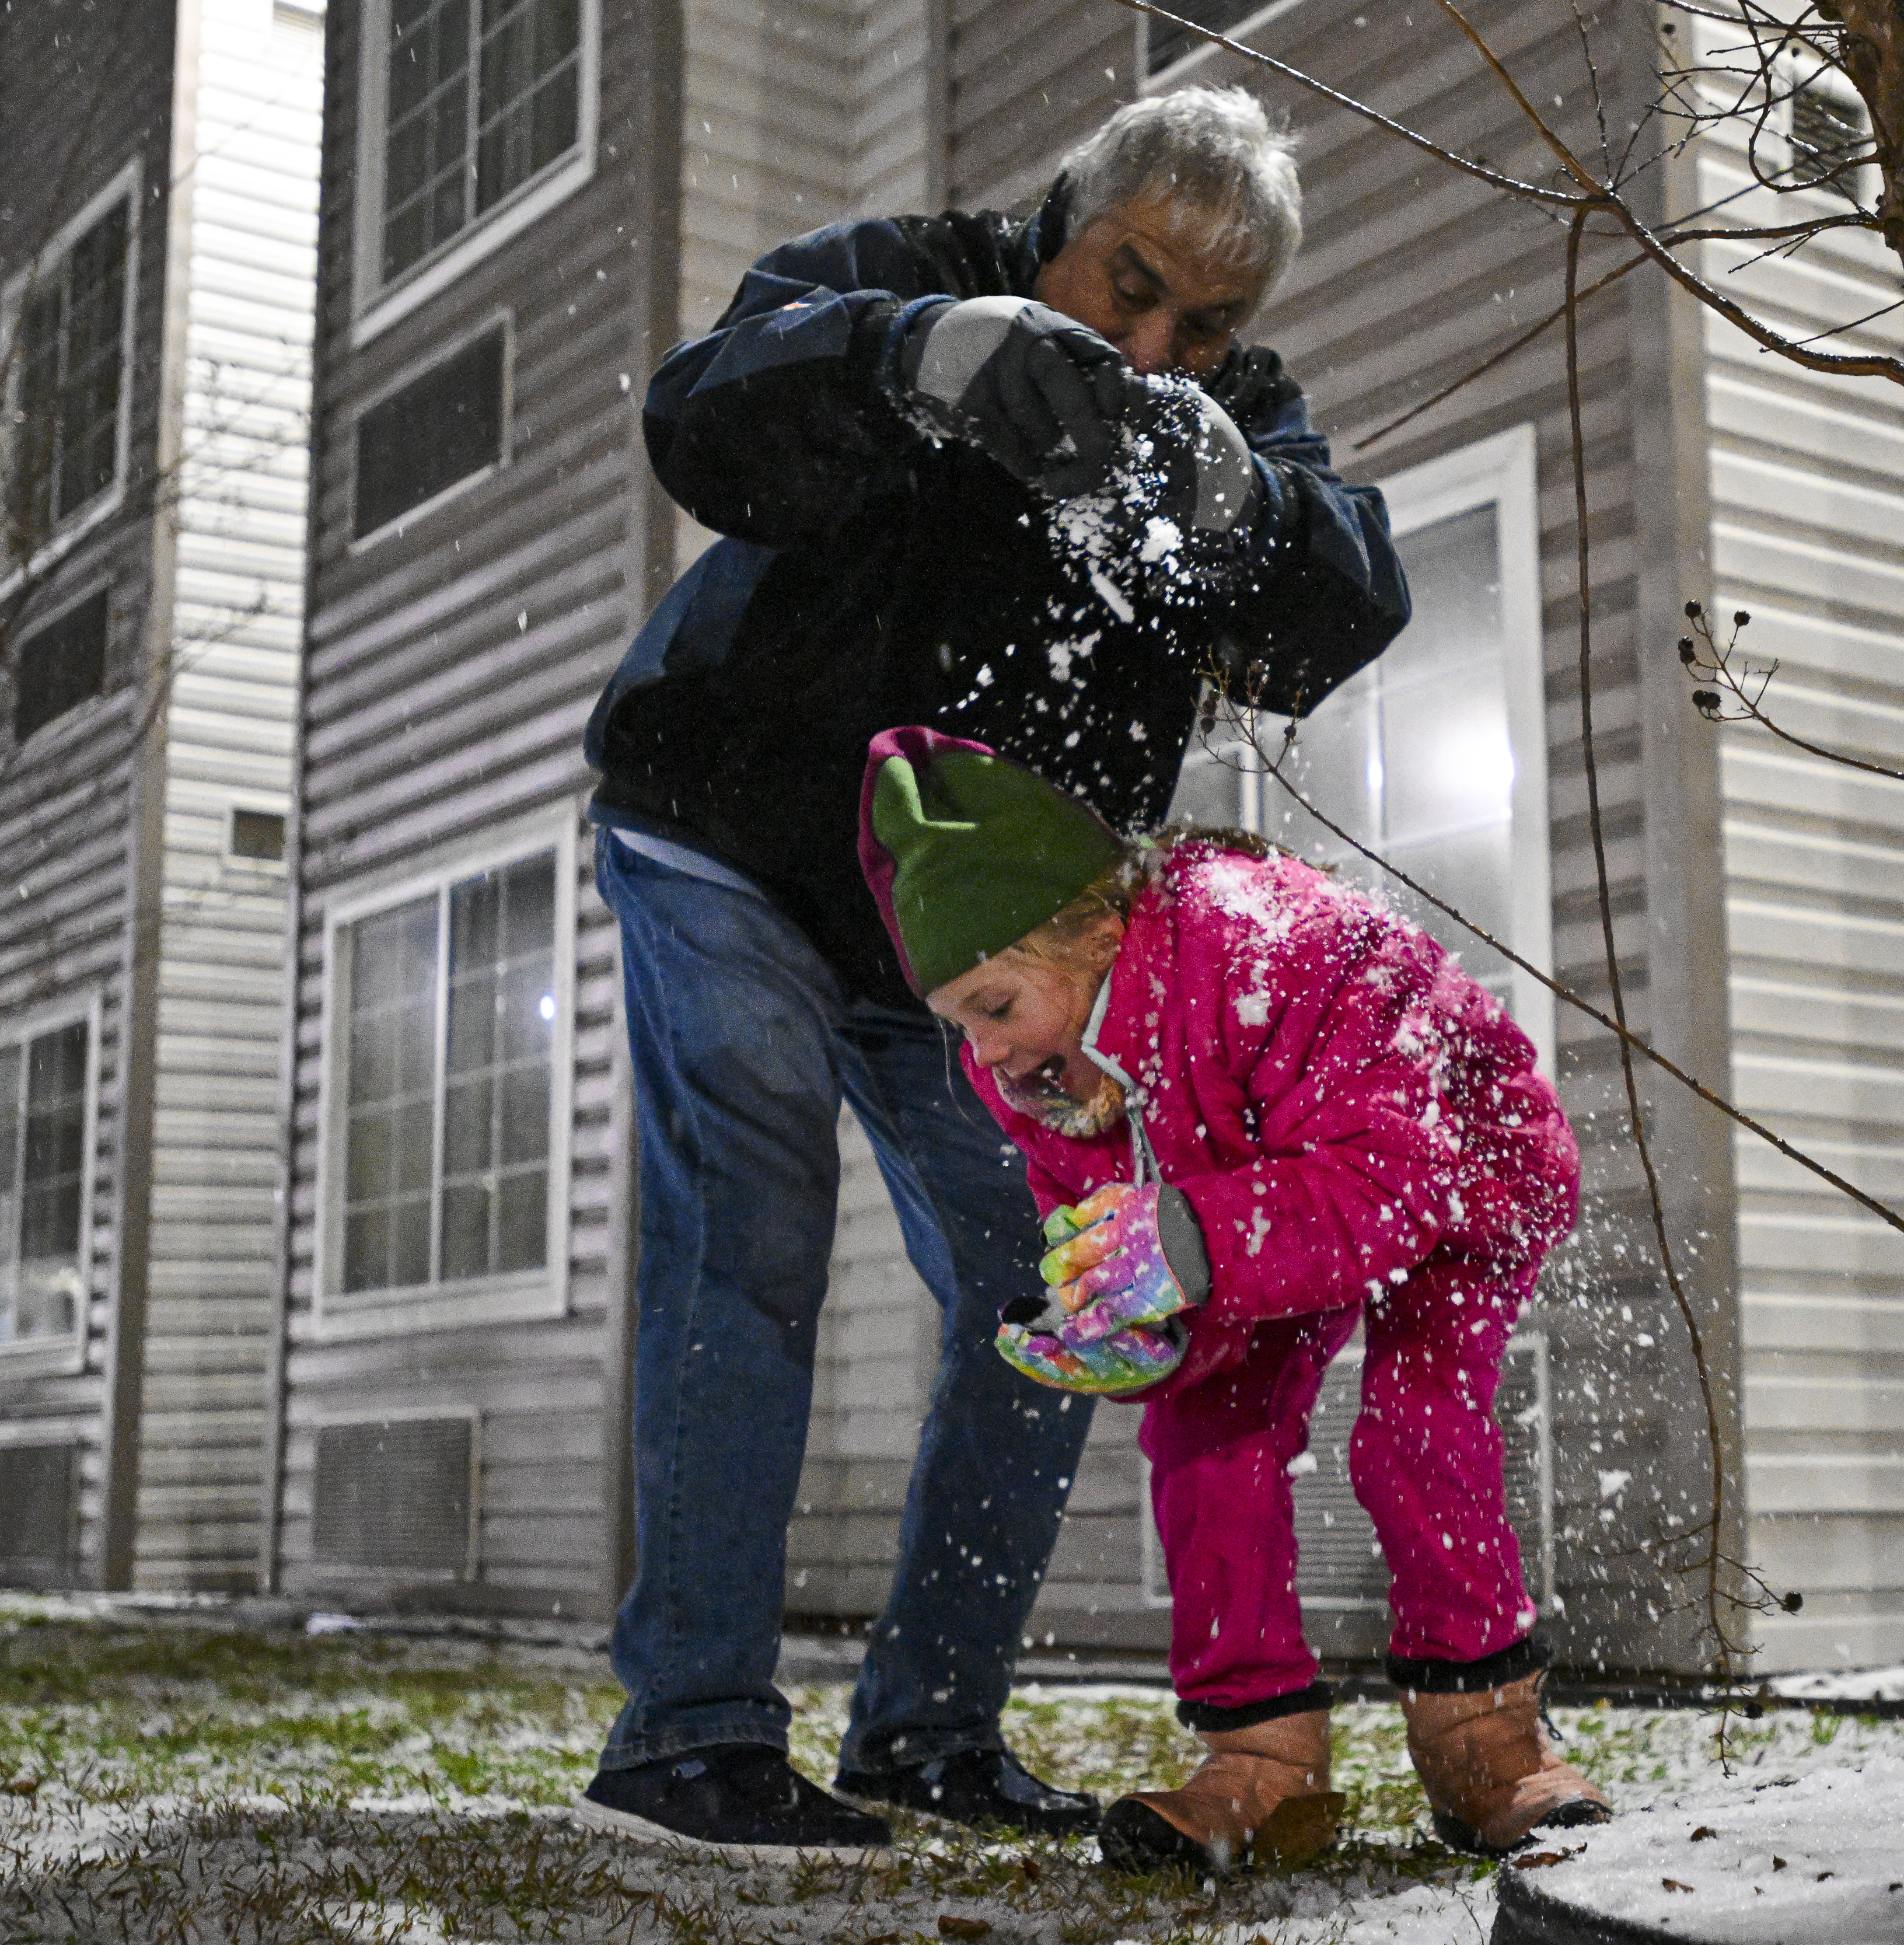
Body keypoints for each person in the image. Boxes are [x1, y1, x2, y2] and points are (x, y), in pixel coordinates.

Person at [574, 86, 1410, 1856]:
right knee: (755, 1212)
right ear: (1063, 216)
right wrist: (915, 358)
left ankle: (929, 1726)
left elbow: (1342, 594)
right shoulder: (901, 278)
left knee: (1064, 1286)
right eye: (1130, 285)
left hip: (962, 952)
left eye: (1208, 324)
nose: (1156, 340)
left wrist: (1238, 501)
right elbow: (701, 414)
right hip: (728, 833)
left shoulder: (1223, 417)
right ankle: (693, 1727)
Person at [857, 727, 1613, 1871]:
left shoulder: (1268, 940)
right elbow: (1107, 1218)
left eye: (996, 1003)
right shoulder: (1034, 1069)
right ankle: (1259, 1754)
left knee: (1413, 1435)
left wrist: (1184, 1237)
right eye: (962, 1020)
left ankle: (1484, 1738)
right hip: (1242, 1202)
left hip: (1459, 1173)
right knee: (1205, 1429)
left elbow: (1393, 1177)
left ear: (1090, 927)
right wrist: (1120, 1324)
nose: (990, 1053)